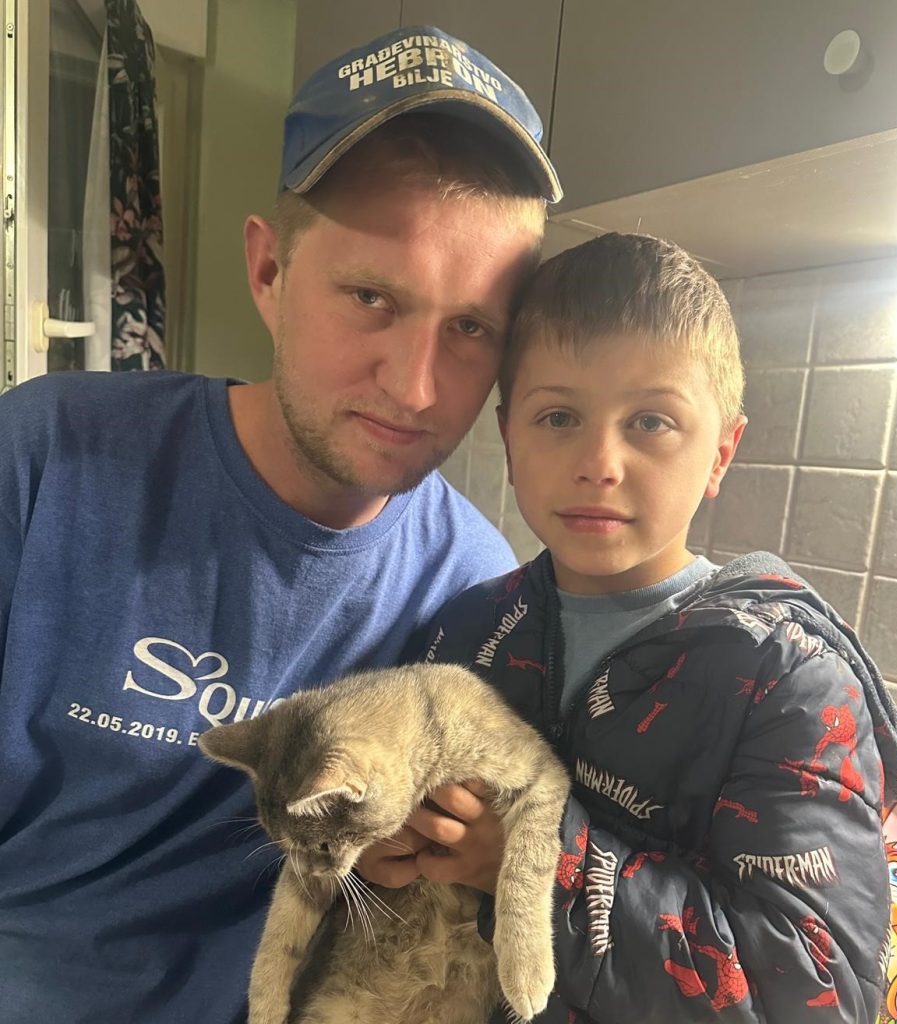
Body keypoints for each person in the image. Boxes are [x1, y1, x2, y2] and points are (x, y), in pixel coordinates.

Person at [0, 26, 561, 1024]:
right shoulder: (44, 456)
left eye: (470, 328)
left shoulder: (476, 592)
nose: (416, 386)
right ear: (268, 271)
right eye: (370, 297)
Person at [375, 231, 897, 1022]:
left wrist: (530, 858)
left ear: (721, 453)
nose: (599, 462)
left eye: (650, 421)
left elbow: (811, 995)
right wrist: (382, 845)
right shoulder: (467, 629)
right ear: (507, 438)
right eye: (558, 416)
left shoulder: (786, 677)